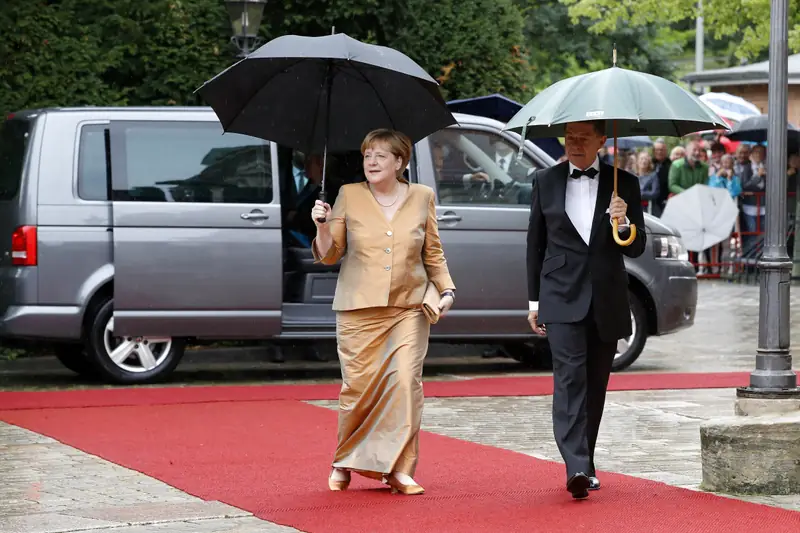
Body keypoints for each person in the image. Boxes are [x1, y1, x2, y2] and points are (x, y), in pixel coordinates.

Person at [311, 128, 456, 496]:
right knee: (357, 389)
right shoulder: (349, 195)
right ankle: (344, 459)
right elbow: (330, 254)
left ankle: (400, 468)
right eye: (367, 155)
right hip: (359, 309)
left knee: (406, 383)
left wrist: (447, 288)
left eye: (380, 155)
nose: (371, 162)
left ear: (399, 162)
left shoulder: (423, 196)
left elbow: (433, 252)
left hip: (409, 307)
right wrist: (322, 226)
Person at [526, 120, 646, 500]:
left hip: (607, 297)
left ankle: (586, 462)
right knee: (569, 378)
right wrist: (533, 300)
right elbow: (535, 245)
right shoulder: (544, 180)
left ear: (601, 141)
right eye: (569, 137)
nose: (574, 143)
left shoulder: (623, 184)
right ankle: (574, 465)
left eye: (582, 137)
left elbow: (636, 247)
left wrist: (622, 221)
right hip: (560, 295)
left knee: (595, 383)